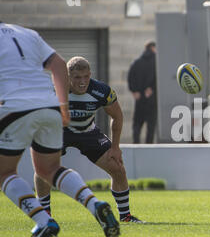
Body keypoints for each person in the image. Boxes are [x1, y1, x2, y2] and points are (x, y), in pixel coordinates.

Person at [0, 22, 119, 237]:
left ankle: (43, 221)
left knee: (4, 172)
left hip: (12, 106)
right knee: (49, 169)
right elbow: (58, 64)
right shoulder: (27, 33)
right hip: (48, 104)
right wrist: (63, 106)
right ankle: (96, 205)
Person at [34, 56, 143, 223]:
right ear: (67, 76)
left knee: (118, 168)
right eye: (77, 77)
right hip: (58, 131)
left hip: (87, 132)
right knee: (42, 170)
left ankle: (126, 217)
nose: (83, 82)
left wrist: (115, 147)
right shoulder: (51, 89)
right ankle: (45, 215)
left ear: (90, 74)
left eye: (86, 76)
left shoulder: (101, 90)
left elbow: (117, 116)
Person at [128, 41, 157, 144]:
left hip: (139, 98)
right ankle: (148, 147)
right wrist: (152, 88)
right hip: (151, 98)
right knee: (151, 125)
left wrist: (134, 91)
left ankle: (136, 145)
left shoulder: (137, 62)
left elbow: (130, 76)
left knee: (137, 124)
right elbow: (158, 77)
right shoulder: (156, 61)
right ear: (153, 48)